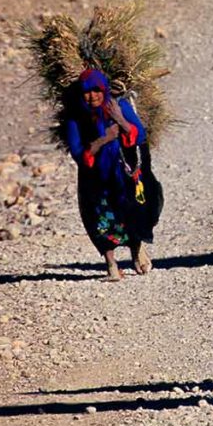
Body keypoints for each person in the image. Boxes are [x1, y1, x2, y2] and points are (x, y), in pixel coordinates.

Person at [65, 68, 156, 281]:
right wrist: (103, 139)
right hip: (94, 179)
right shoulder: (75, 119)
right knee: (100, 218)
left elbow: (139, 135)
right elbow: (79, 153)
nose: (92, 96)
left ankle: (136, 251)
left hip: (123, 172)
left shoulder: (119, 106)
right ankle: (111, 265)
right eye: (87, 92)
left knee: (130, 211)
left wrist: (121, 121)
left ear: (104, 89)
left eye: (97, 90)